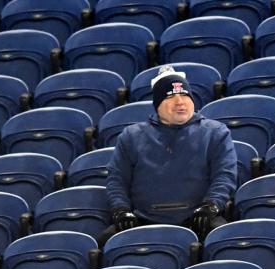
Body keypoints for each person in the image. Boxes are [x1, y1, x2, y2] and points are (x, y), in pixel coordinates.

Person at [101, 66, 237, 243]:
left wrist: (210, 206)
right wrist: (121, 210)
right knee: (107, 242)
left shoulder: (216, 132)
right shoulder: (131, 136)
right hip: (143, 220)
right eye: (170, 96)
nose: (180, 102)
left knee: (224, 240)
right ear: (158, 105)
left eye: (185, 95)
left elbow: (224, 176)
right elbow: (117, 179)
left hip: (199, 218)